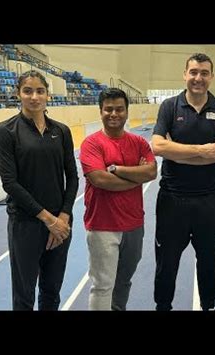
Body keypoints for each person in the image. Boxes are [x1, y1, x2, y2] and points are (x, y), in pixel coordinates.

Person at [151, 53, 215, 311]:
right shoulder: (169, 106)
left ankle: (209, 306)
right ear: (185, 74)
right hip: (172, 200)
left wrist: (179, 152)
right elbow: (158, 146)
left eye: (204, 73)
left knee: (209, 261)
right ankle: (163, 307)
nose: (198, 78)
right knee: (167, 262)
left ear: (211, 77)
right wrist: (203, 152)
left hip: (209, 200)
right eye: (194, 72)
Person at [0, 70, 78, 310]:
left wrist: (63, 216)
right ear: (18, 94)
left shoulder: (61, 130)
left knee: (51, 292)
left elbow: (72, 176)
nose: (34, 97)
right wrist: (47, 219)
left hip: (60, 225)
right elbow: (10, 183)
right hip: (26, 224)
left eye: (40, 91)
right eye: (27, 91)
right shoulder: (6, 131)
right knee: (24, 295)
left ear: (48, 95)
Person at [79, 88, 157, 310]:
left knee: (123, 282)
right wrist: (135, 178)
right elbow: (100, 180)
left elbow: (151, 172)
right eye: (108, 109)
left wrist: (116, 169)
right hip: (103, 225)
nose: (114, 114)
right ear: (100, 111)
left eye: (119, 109)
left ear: (126, 111)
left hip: (133, 225)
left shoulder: (139, 143)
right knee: (103, 285)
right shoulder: (91, 144)